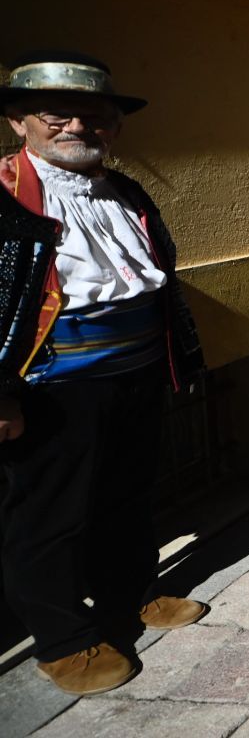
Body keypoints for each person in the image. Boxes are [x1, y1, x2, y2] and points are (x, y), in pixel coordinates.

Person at [1, 51, 210, 696]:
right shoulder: (1, 197)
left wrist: (181, 360)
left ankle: (128, 595)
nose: (78, 127)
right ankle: (62, 640)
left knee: (126, 495)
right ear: (18, 123)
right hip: (50, 387)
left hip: (137, 373)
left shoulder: (127, 193)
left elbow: (157, 284)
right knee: (48, 516)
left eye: (96, 117)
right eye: (56, 113)